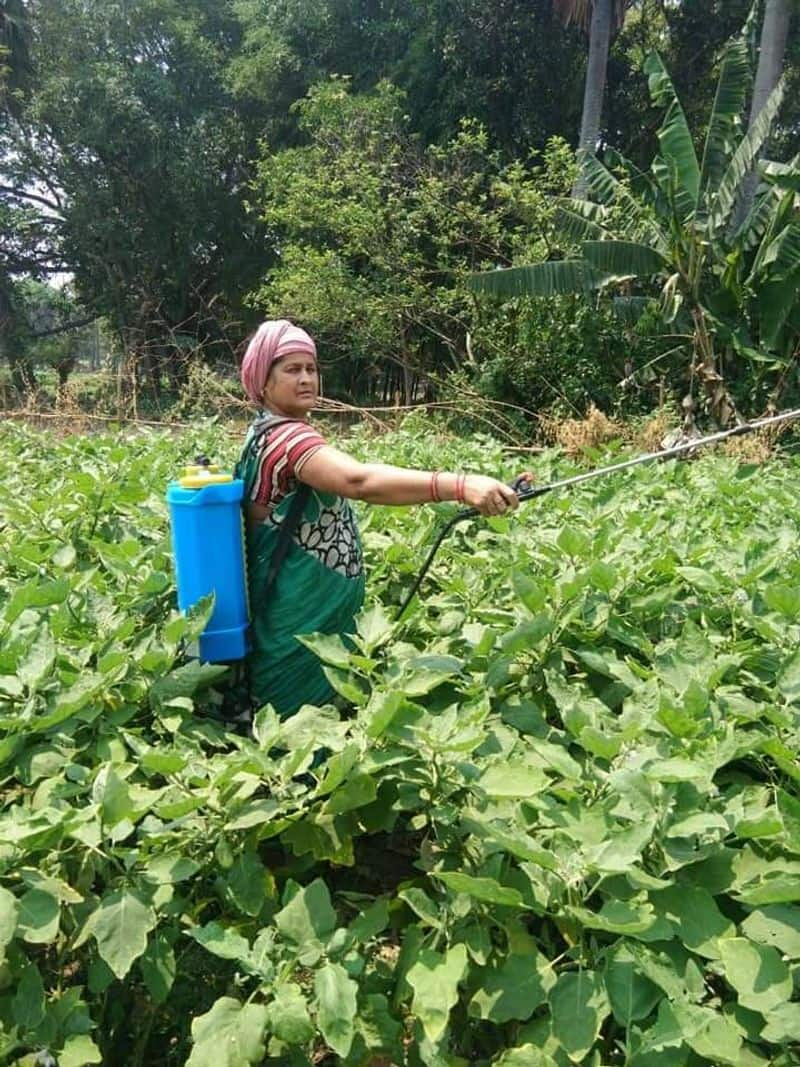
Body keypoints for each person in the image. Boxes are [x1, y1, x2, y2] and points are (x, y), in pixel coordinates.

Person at [237, 319, 527, 718]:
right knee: (300, 735)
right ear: (262, 381)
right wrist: (460, 485)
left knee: (314, 726)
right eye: (291, 369)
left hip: (306, 618)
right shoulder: (288, 440)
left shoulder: (264, 433)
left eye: (311, 368)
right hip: (298, 626)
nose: (306, 378)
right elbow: (360, 480)